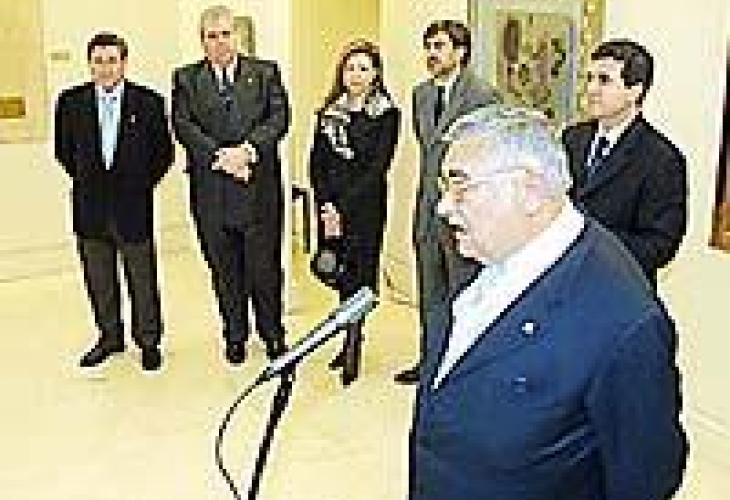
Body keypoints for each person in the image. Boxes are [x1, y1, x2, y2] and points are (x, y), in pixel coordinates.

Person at [409, 106, 687, 500]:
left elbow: (645, 480)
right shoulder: (490, 247)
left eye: (461, 186)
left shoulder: (624, 321)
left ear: (531, 191)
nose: (444, 206)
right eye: (444, 186)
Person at [172, 5, 289, 365]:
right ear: (202, 41)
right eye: (212, 36)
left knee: (264, 270)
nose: (220, 42)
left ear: (236, 36)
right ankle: (235, 336)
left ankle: (273, 334)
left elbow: (279, 118)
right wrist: (223, 158)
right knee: (224, 271)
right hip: (213, 195)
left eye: (226, 34)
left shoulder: (265, 73)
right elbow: (184, 126)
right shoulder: (186, 79)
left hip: (259, 192)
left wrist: (247, 152)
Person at [54, 32, 173, 371]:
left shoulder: (148, 102)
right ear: (89, 64)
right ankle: (109, 336)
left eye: (112, 60)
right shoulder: (70, 103)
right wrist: (92, 181)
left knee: (142, 279)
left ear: (124, 63)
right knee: (100, 280)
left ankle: (148, 341)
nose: (105, 68)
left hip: (133, 208)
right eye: (98, 61)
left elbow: (163, 154)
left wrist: (138, 186)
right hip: (90, 208)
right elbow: (64, 152)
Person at [395, 20, 502, 385]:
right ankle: (430, 361)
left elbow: (487, 153)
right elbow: (429, 154)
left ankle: (463, 366)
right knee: (430, 293)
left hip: (464, 213)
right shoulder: (420, 95)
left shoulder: (483, 95)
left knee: (464, 291)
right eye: (428, 46)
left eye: (439, 46)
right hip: (428, 209)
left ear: (460, 51)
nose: (431, 53)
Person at [308, 40, 400, 386]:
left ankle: (353, 342)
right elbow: (316, 162)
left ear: (375, 74)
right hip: (330, 208)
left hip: (365, 208)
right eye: (350, 68)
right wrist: (326, 205)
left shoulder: (386, 113)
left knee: (361, 275)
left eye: (364, 68)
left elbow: (377, 169)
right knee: (336, 271)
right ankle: (348, 329)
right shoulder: (328, 112)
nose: (356, 75)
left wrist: (342, 208)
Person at [562, 39, 687, 285]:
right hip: (562, 279)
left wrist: (587, 242)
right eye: (589, 78)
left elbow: (659, 245)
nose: (591, 89)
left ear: (635, 91)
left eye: (604, 80)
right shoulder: (572, 138)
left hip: (615, 285)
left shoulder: (662, 159)